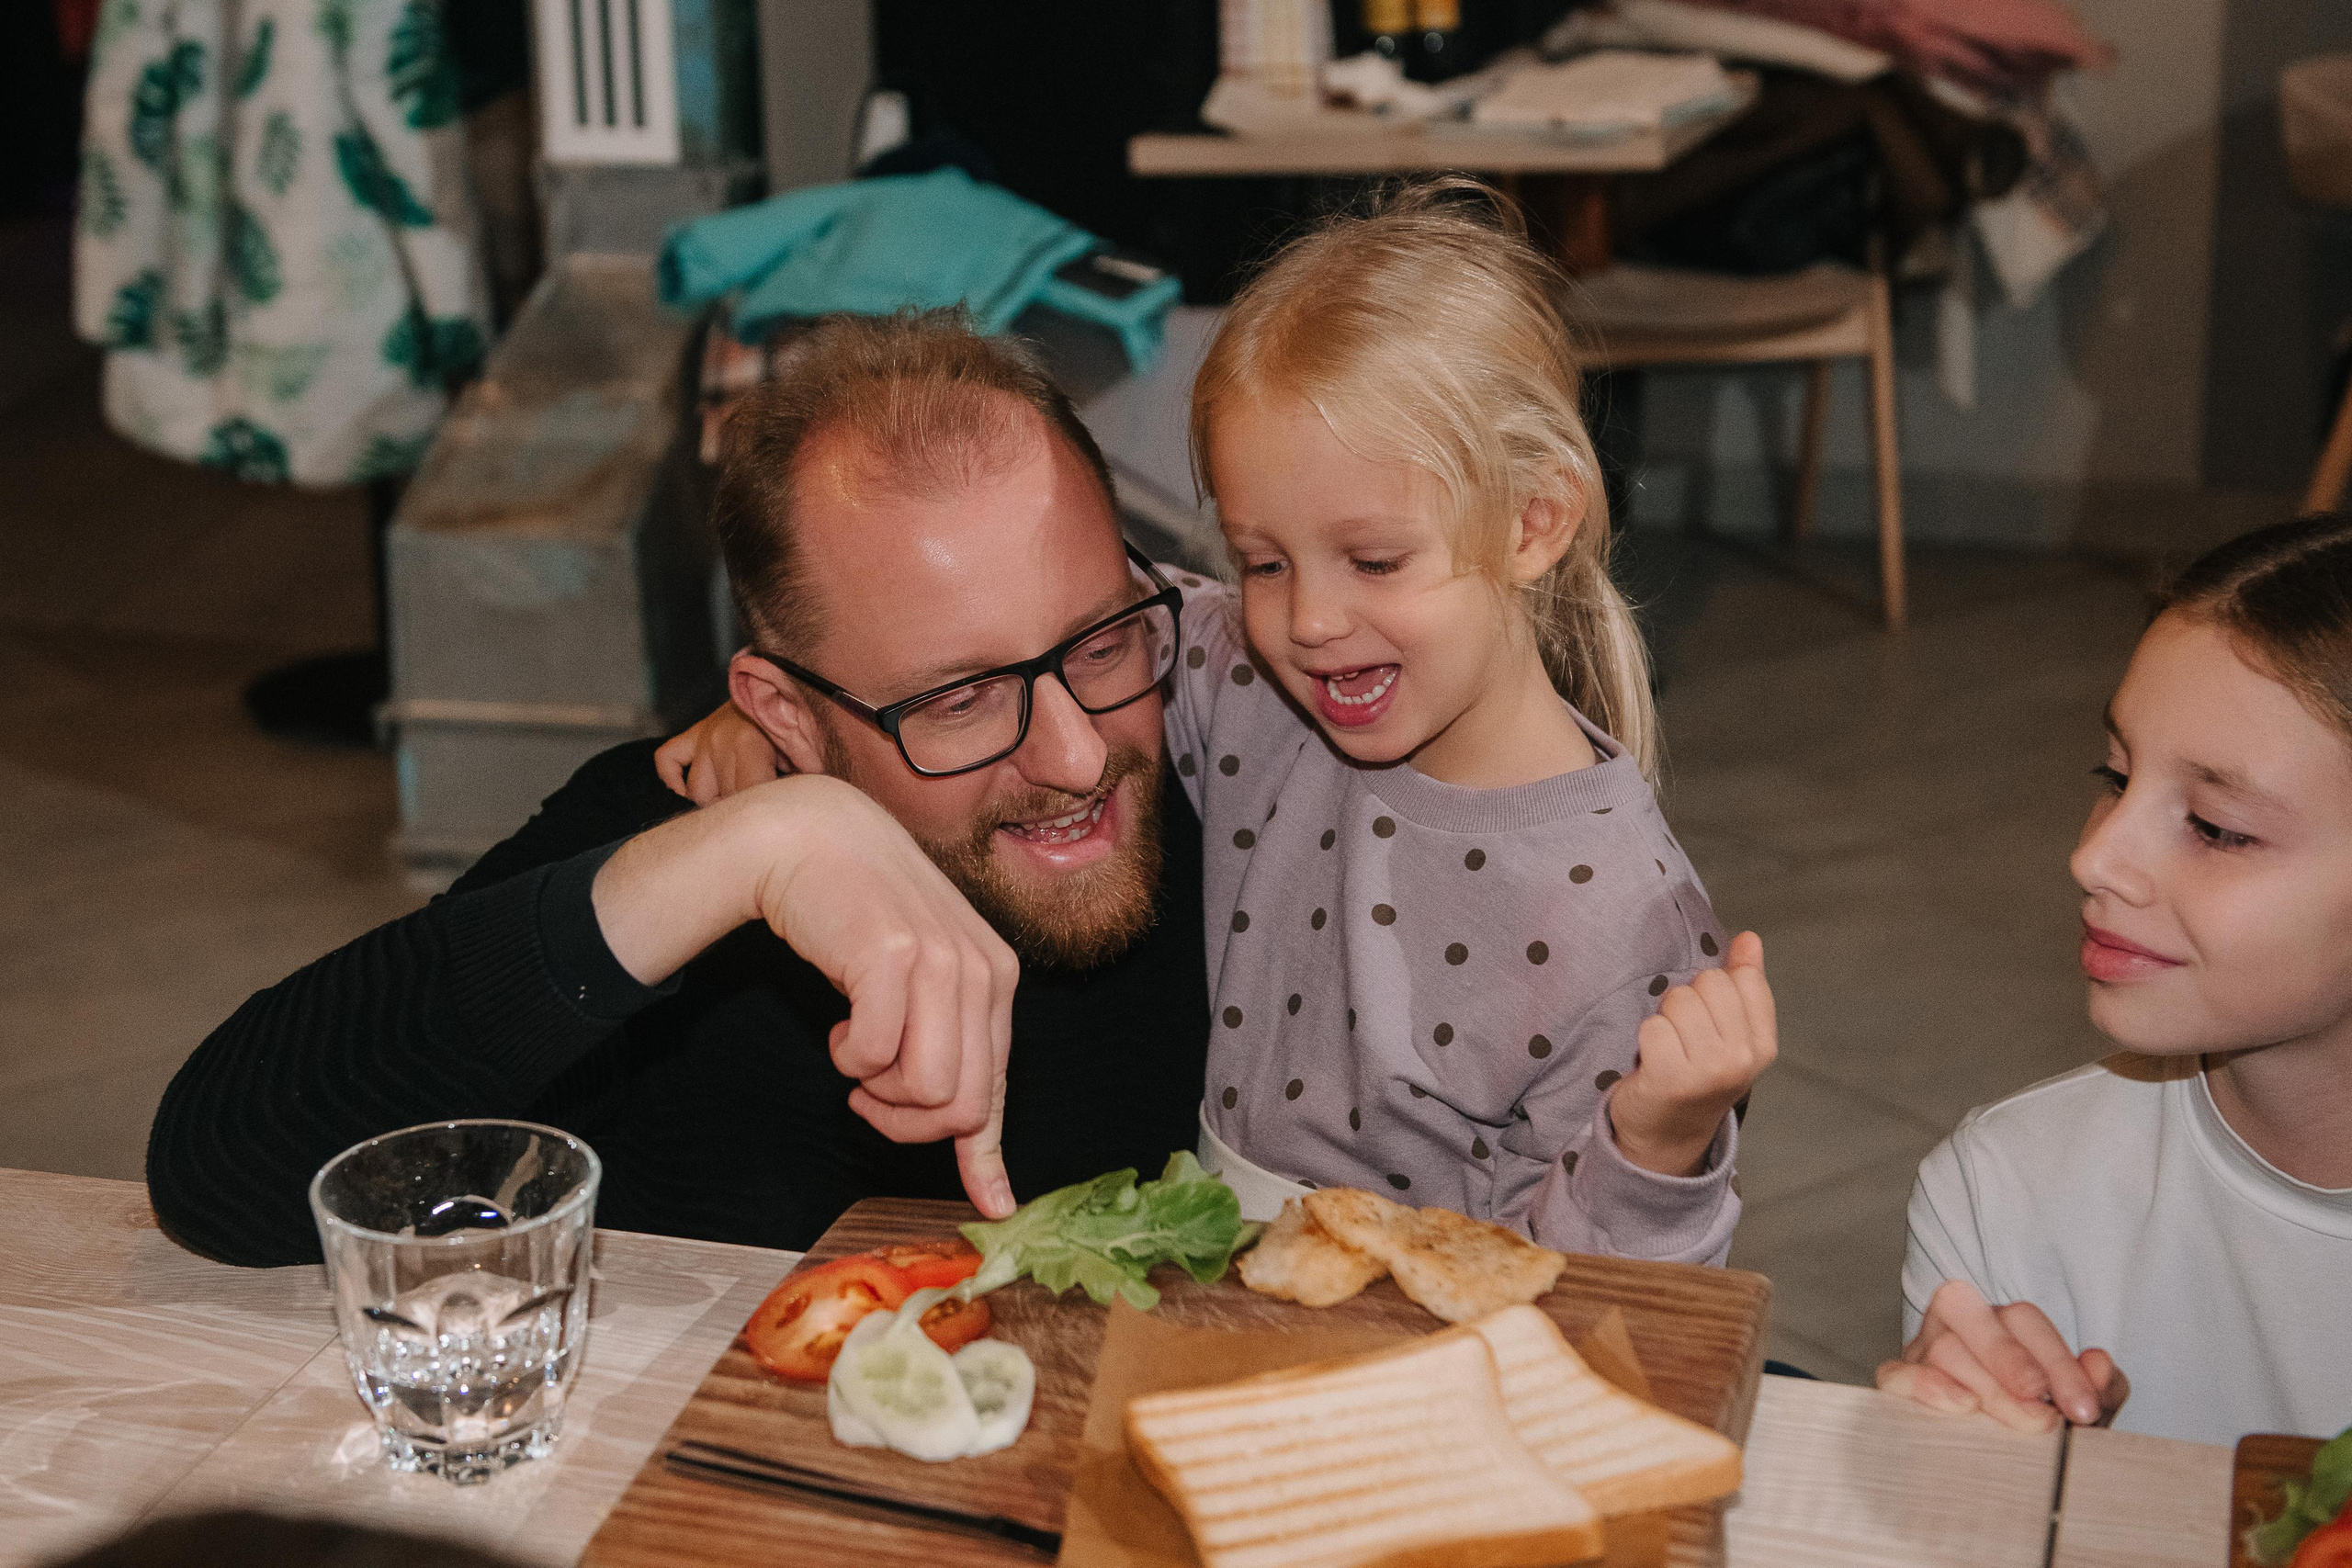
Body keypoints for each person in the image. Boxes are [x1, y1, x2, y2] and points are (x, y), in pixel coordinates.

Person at [664, 186, 1778, 1261]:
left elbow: (1606, 1313)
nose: (1310, 620)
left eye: (1374, 560)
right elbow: (1013, 628)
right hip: (1216, 1288)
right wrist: (787, 716)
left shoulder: (1621, 910)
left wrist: (1658, 1147)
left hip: (1428, 1363)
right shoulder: (1251, 677)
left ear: (1536, 519)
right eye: (1261, 560)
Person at [145, 310, 1216, 1266]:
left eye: (1102, 642)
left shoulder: (1243, 778)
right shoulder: (682, 838)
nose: (1079, 757)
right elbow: (221, 1180)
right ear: (783, 714)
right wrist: (747, 852)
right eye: (962, 701)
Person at [1880, 513, 2352, 1446]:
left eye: (2215, 826)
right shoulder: (2003, 1194)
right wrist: (1972, 1484)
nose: (2095, 856)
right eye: (2113, 775)